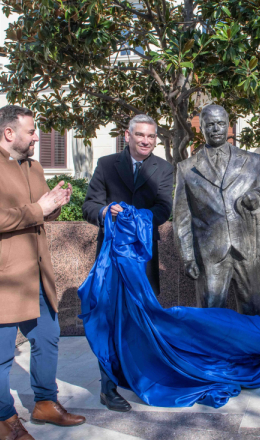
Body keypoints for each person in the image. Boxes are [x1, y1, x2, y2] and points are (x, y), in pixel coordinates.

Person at [0, 105, 84, 440]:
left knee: (47, 339)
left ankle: (45, 403)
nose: (36, 136)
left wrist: (53, 207)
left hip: (36, 275)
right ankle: (5, 420)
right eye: (31, 131)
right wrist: (39, 208)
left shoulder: (33, 166)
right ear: (10, 133)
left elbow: (37, 216)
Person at [83, 114, 174, 412]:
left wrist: (134, 219)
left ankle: (139, 378)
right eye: (140, 135)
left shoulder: (163, 168)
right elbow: (89, 206)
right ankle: (108, 389)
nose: (146, 141)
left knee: (140, 321)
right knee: (109, 322)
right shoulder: (107, 165)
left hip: (143, 259)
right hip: (110, 259)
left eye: (151, 136)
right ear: (128, 135)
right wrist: (107, 211)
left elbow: (163, 208)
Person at [173, 105, 260, 318]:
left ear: (228, 126)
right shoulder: (187, 168)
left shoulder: (252, 161)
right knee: (211, 312)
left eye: (220, 124)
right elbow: (181, 218)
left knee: (253, 310)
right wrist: (188, 258)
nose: (216, 128)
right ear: (202, 129)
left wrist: (258, 197)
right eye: (210, 124)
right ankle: (213, 352)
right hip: (210, 253)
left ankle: (253, 351)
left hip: (247, 249)